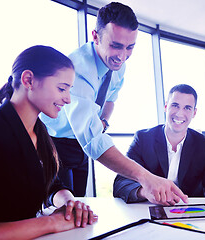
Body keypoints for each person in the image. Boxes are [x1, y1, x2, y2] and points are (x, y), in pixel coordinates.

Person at [40, 2, 188, 203]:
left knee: (81, 204)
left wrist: (104, 121)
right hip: (52, 142)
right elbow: (92, 139)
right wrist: (146, 178)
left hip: (80, 146)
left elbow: (111, 98)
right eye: (116, 45)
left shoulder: (118, 64)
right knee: (63, 207)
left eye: (130, 47)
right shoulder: (78, 71)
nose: (122, 56)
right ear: (95, 36)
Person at [0, 45, 97, 239]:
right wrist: (50, 222)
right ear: (28, 80)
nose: (67, 99)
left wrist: (69, 203)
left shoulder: (41, 134)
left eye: (69, 90)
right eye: (62, 88)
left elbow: (50, 183)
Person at [113, 84, 205, 205]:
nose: (180, 114)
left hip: (190, 211)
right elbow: (120, 184)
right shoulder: (143, 139)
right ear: (166, 106)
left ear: (194, 112)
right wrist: (146, 192)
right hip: (150, 209)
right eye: (175, 106)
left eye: (187, 108)